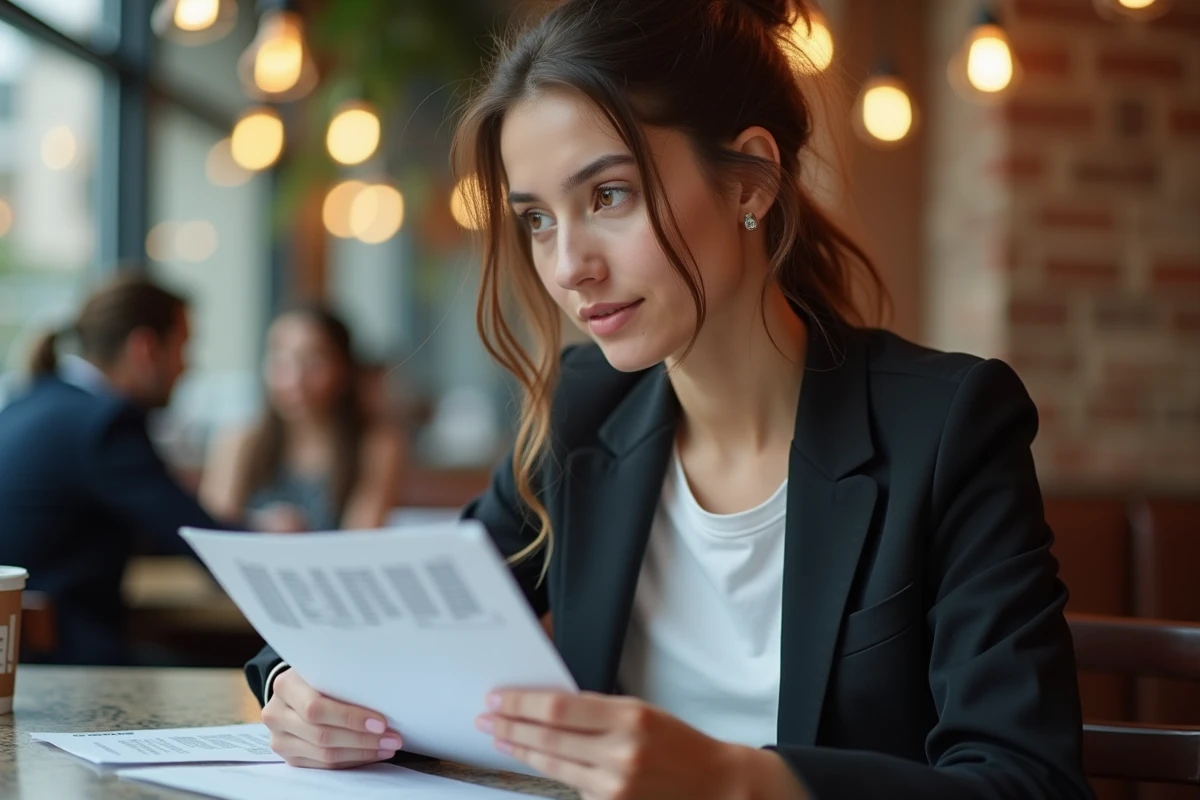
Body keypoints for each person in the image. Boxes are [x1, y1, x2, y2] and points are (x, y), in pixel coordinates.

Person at [245, 1, 1092, 797]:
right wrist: (295, 687)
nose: (569, 265)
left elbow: (1028, 780)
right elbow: (394, 621)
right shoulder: (587, 413)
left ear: (751, 181)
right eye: (537, 219)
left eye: (608, 196)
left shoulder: (945, 426)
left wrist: (730, 779)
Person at [0, 273, 227, 665]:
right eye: (182, 348)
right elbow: (199, 540)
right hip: (68, 667)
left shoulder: (25, 403)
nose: (187, 367)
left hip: (20, 661)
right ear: (145, 349)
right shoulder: (105, 424)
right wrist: (272, 540)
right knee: (242, 676)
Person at [201, 304, 404, 532]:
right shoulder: (239, 441)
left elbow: (361, 538)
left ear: (343, 368)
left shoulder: (376, 446)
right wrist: (258, 525)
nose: (294, 377)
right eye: (280, 358)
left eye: (313, 361)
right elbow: (213, 530)